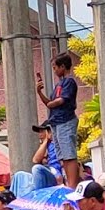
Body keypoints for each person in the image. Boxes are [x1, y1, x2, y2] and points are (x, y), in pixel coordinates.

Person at [36, 53, 80, 187]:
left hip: (66, 120)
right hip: (56, 122)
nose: (54, 70)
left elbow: (60, 100)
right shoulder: (58, 85)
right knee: (62, 156)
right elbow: (49, 103)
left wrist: (51, 104)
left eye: (55, 67)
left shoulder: (69, 82)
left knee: (69, 154)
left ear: (63, 66)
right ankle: (68, 184)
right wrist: (39, 92)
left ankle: (72, 186)